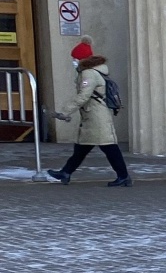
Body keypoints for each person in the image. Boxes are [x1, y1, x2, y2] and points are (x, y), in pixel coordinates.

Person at [47, 41, 131, 187]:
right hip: (92, 115)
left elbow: (83, 96)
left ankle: (123, 176)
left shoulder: (89, 73)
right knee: (82, 147)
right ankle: (65, 172)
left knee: (109, 147)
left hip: (96, 117)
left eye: (75, 58)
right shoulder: (92, 71)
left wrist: (65, 111)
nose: (73, 61)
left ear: (82, 59)